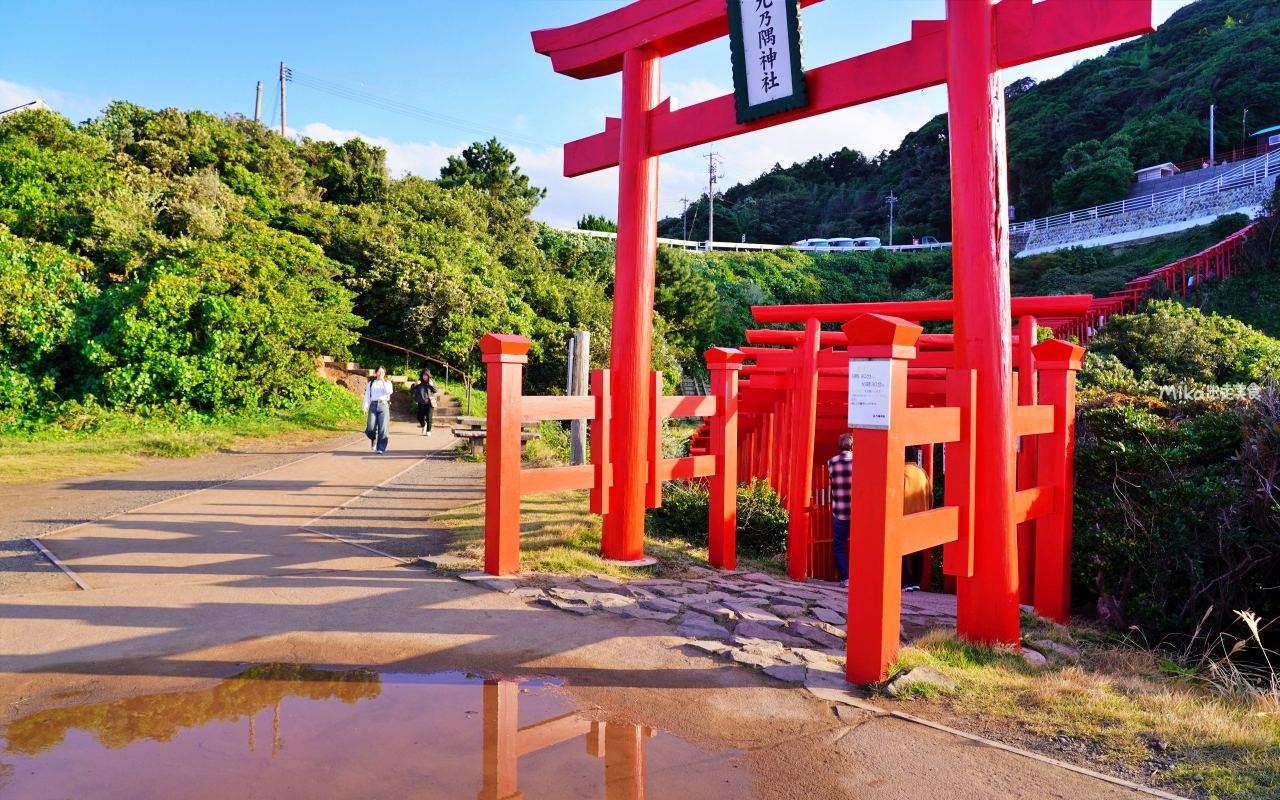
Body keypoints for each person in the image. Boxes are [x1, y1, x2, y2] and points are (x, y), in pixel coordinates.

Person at [902, 446, 933, 591]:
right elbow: (930, 495)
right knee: (917, 550)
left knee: (900, 550)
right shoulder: (922, 473)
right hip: (921, 514)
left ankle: (905, 580)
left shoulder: (900, 471)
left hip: (903, 514)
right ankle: (916, 581)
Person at [827, 433, 854, 588]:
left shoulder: (832, 462)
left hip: (840, 511)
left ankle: (846, 578)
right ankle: (861, 576)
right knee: (860, 545)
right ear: (852, 445)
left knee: (839, 545)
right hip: (858, 512)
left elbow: (832, 478)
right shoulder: (860, 461)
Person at [362, 365, 393, 454]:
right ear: (376, 372)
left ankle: (380, 447)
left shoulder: (387, 383)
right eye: (379, 372)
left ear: (385, 373)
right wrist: (365, 407)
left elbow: (389, 392)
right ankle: (373, 440)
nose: (380, 374)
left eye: (382, 372)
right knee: (371, 427)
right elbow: (367, 396)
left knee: (383, 428)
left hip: (383, 405)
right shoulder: (371, 383)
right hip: (373, 405)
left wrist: (383, 382)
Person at [411, 368, 438, 435]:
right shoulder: (419, 382)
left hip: (429, 403)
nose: (425, 377)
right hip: (421, 403)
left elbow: (436, 390)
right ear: (422, 376)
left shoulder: (431, 382)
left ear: (429, 376)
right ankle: (424, 424)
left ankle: (428, 431)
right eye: (424, 375)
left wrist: (432, 385)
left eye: (426, 375)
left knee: (429, 417)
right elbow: (412, 388)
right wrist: (415, 384)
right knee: (419, 417)